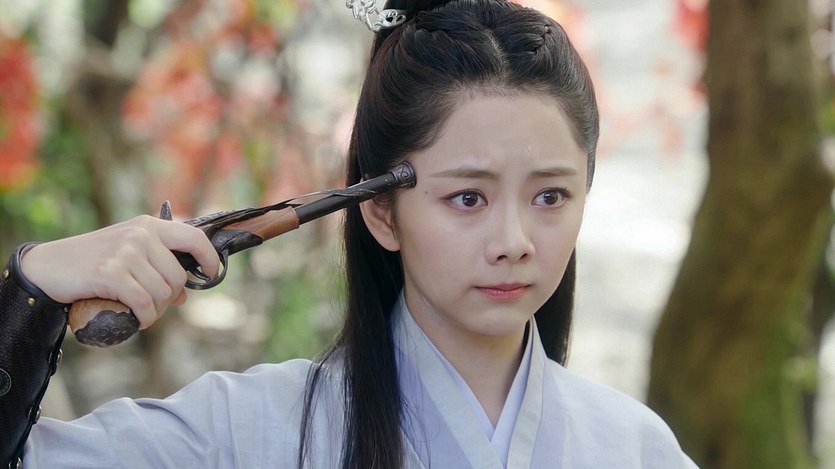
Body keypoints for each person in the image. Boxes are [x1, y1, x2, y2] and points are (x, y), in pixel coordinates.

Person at [0, 0, 700, 467]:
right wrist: (32, 290)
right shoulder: (246, 432)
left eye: (550, 195)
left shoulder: (636, 450)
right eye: (467, 197)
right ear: (381, 210)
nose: (514, 239)